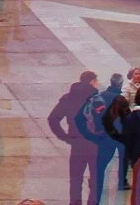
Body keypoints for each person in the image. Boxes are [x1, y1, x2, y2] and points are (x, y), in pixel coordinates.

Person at [47, 71, 104, 205]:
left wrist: (64, 137)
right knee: (96, 179)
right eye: (96, 81)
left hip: (77, 143)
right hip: (95, 145)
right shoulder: (98, 99)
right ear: (91, 82)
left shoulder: (68, 98)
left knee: (76, 179)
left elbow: (53, 119)